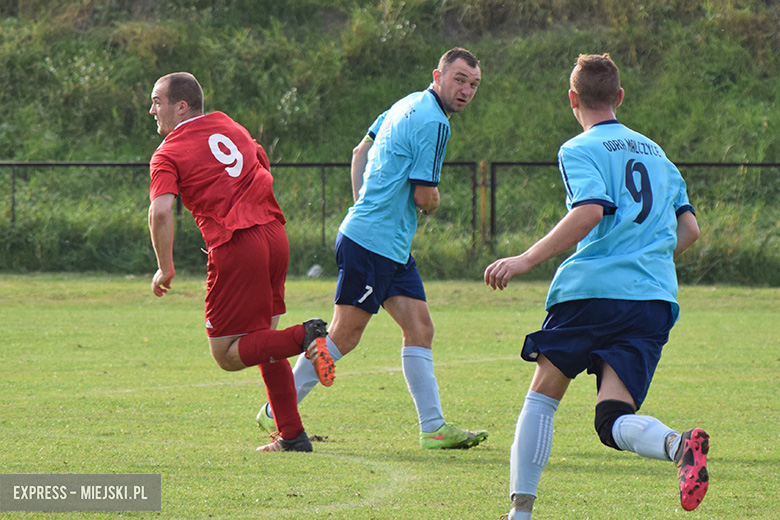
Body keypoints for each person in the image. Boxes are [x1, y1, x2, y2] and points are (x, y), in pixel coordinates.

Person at [484, 54, 708, 518]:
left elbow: (589, 211)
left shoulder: (579, 148)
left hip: (591, 293)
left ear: (573, 99)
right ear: (620, 98)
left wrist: (525, 259)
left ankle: (520, 513)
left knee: (543, 397)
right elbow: (689, 232)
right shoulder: (659, 155)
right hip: (651, 301)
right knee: (611, 421)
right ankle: (677, 444)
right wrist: (645, 259)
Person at [256, 47, 489, 449]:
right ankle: (277, 411)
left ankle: (433, 427)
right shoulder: (435, 123)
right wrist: (427, 206)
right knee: (344, 336)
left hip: (385, 243)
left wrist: (362, 205)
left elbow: (359, 152)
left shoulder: (404, 104)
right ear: (438, 75)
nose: (466, 89)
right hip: (373, 244)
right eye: (459, 79)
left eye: (474, 84)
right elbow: (424, 196)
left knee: (419, 328)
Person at [146, 72, 335, 453]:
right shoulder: (229, 124)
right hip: (273, 234)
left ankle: (308, 336)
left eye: (157, 101)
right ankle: (293, 436)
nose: (152, 110)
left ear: (181, 106)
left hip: (236, 244)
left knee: (227, 356)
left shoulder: (168, 152)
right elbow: (262, 162)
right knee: (264, 340)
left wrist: (165, 267)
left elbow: (161, 212)